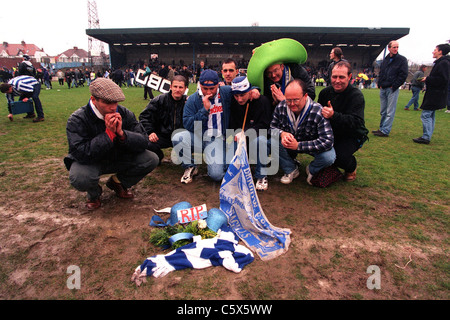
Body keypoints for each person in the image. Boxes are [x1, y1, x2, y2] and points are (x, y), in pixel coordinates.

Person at [64, 78, 159, 210]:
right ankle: (94, 193)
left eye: (115, 102)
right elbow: (80, 152)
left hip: (118, 157)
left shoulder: (124, 113)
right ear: (93, 99)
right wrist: (108, 134)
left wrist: (122, 134)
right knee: (80, 177)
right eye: (107, 102)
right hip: (93, 161)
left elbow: (143, 141)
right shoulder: (78, 119)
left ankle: (118, 183)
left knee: (151, 158)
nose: (113, 107)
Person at [171, 69, 233, 183]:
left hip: (217, 139)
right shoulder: (193, 100)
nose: (208, 92)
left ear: (218, 85)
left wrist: (255, 90)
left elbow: (243, 90)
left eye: (212, 88)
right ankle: (190, 165)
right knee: (177, 137)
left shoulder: (226, 92)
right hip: (199, 137)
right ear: (200, 85)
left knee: (217, 175)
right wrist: (204, 110)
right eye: (205, 88)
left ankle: (221, 160)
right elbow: (188, 124)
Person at [270, 79, 335, 185]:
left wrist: (298, 146)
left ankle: (312, 169)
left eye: (296, 100)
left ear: (305, 96)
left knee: (329, 157)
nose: (291, 104)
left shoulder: (318, 110)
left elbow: (327, 141)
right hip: (289, 144)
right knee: (271, 142)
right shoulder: (281, 107)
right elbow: (272, 128)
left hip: (310, 145)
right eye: (288, 100)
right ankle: (291, 169)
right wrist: (282, 133)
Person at [318, 61, 369, 181]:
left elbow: (357, 122)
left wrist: (333, 115)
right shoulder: (325, 93)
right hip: (331, 132)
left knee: (339, 157)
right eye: (334, 77)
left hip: (351, 135)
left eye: (341, 77)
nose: (337, 80)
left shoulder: (356, 96)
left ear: (349, 77)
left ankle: (351, 167)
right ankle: (329, 165)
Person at [229, 76, 272, 190]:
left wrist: (246, 133)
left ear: (250, 91)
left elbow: (265, 126)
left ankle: (261, 175)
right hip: (239, 139)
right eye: (236, 96)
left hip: (257, 138)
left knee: (261, 141)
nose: (239, 99)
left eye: (242, 95)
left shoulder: (263, 101)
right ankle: (238, 173)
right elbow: (232, 124)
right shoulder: (233, 103)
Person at [139, 75, 188, 163]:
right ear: (170, 87)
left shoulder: (188, 102)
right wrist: (150, 132)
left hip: (181, 137)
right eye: (175, 86)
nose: (177, 90)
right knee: (147, 143)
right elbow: (144, 117)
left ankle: (185, 158)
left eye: (180, 87)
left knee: (196, 143)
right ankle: (158, 156)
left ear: (185, 88)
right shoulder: (159, 100)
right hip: (162, 135)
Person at [413, 43, 450, 144]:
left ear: (440, 52)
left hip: (435, 94)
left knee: (426, 115)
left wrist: (428, 79)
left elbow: (443, 79)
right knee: (430, 115)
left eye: (435, 50)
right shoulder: (442, 63)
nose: (433, 52)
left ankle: (426, 137)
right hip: (436, 93)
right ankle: (427, 135)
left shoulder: (443, 63)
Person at [372, 40, 408, 137]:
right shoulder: (385, 60)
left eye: (397, 47)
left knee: (390, 111)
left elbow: (403, 74)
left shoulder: (402, 60)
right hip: (383, 87)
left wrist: (395, 85)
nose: (396, 49)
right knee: (383, 110)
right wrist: (380, 83)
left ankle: (385, 130)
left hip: (392, 88)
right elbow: (382, 73)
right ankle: (382, 128)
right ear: (389, 48)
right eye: (394, 47)